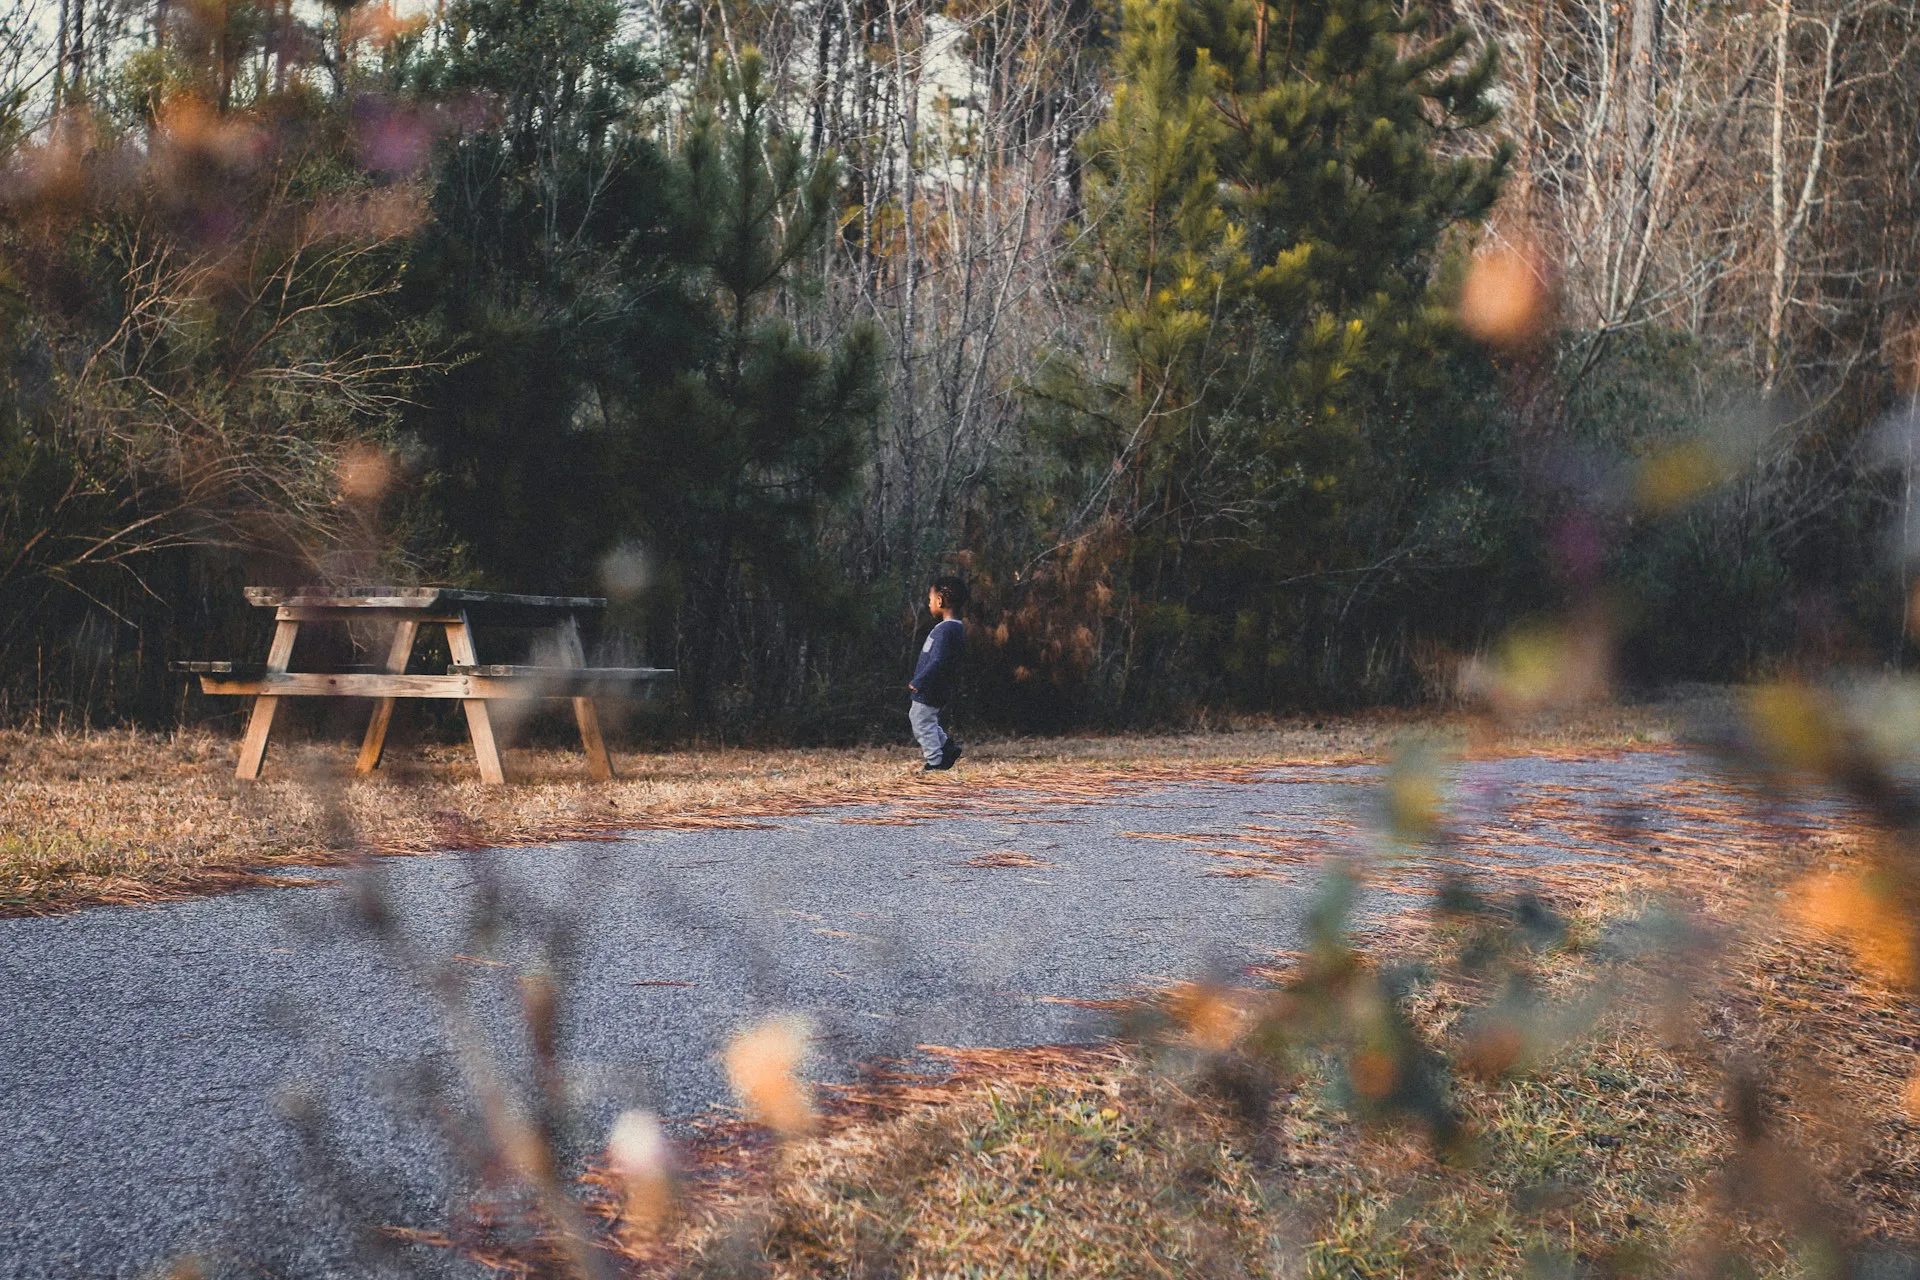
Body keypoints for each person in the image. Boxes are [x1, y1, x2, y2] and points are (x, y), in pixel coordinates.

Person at [909, 576, 968, 772]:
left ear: (940, 601)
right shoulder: (954, 628)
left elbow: (939, 660)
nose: (929, 604)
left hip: (931, 685)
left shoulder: (946, 630)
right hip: (939, 684)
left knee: (920, 720)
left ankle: (935, 762)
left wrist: (921, 680)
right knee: (926, 719)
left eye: (930, 599)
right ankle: (947, 748)